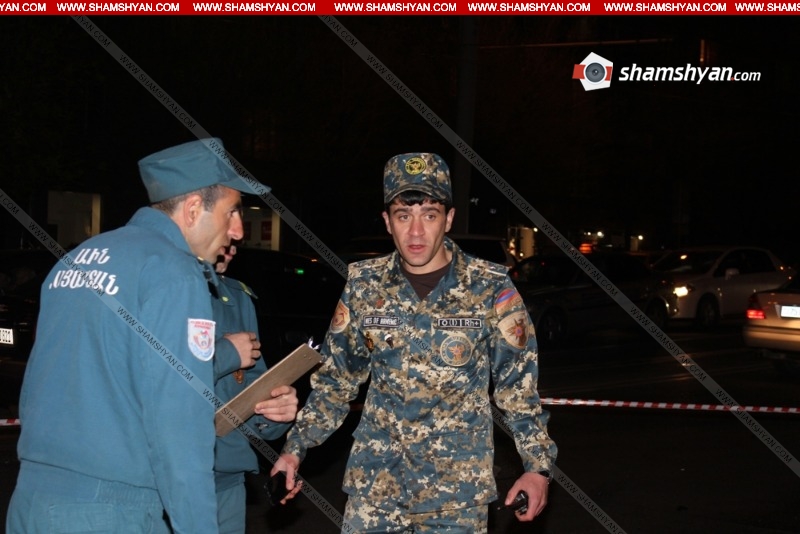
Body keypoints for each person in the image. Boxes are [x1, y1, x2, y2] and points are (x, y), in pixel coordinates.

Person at [274, 152, 557, 532]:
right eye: (404, 216)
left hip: (456, 497)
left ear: (449, 219)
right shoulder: (364, 286)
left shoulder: (490, 287)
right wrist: (295, 449)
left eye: (430, 215)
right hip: (375, 488)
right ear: (387, 221)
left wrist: (537, 467)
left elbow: (517, 389)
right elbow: (335, 382)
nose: (417, 232)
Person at [6, 138, 267, 534]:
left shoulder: (75, 260)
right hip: (108, 510)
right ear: (193, 208)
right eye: (231, 211)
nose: (237, 230)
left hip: (32, 499)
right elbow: (179, 423)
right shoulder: (174, 272)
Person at [211, 244, 299, 534]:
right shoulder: (157, 292)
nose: (234, 241)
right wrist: (225, 354)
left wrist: (275, 411)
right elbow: (154, 378)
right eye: (226, 224)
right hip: (159, 480)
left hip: (226, 480)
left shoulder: (236, 298)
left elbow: (249, 387)